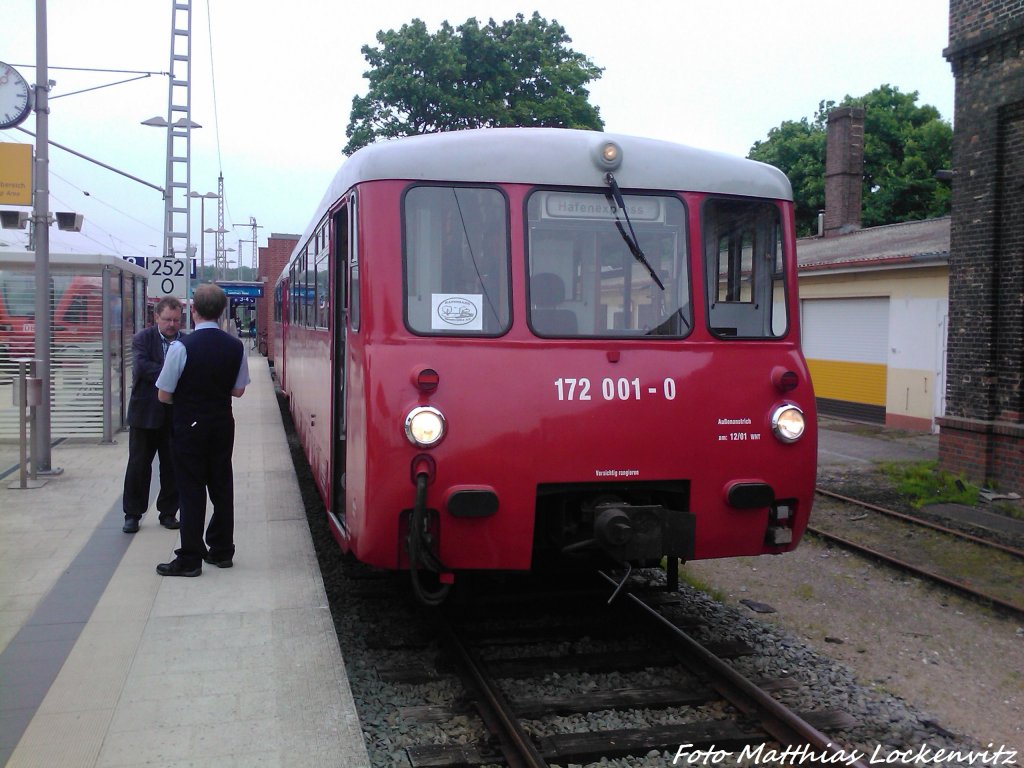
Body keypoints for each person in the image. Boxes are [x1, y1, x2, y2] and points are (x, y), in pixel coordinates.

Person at [155, 283, 250, 576]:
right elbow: (237, 391)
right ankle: (222, 550)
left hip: (189, 426)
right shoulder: (236, 347)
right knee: (222, 485)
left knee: (191, 490)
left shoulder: (181, 347)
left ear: (193, 311)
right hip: (222, 424)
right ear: (222, 312)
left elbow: (163, 393)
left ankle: (190, 558)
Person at [121, 297, 183, 534]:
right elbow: (142, 368)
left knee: (172, 466)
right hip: (144, 414)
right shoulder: (142, 339)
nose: (171, 324)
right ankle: (132, 514)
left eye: (176, 320)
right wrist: (173, 371)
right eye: (167, 319)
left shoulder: (185, 342)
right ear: (156, 317)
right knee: (138, 466)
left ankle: (168, 512)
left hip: (173, 415)